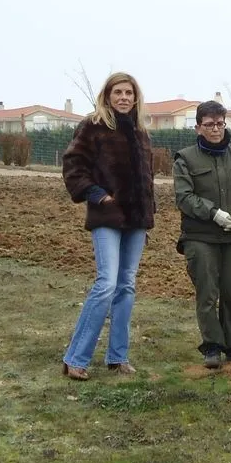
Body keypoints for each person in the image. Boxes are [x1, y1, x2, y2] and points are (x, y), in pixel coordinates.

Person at [60, 71, 155, 380]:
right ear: (107, 96)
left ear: (136, 97)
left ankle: (118, 357)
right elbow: (73, 166)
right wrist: (98, 195)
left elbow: (147, 179)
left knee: (126, 285)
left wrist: (146, 213)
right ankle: (76, 358)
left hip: (136, 220)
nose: (124, 97)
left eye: (129, 92)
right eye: (118, 92)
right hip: (108, 216)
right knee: (106, 284)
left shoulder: (141, 132)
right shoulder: (93, 126)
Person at [173, 100, 231, 369]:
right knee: (207, 293)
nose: (215, 129)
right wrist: (213, 213)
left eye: (220, 123)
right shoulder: (185, 159)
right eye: (209, 124)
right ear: (198, 128)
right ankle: (212, 346)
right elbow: (184, 196)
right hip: (200, 236)